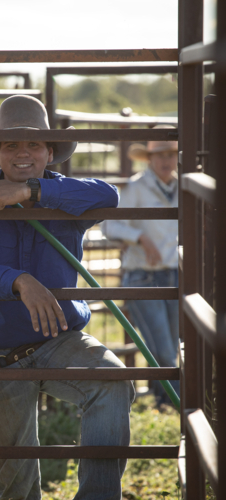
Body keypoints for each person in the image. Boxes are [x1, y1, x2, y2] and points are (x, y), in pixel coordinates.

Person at [0, 95, 135, 500]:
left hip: (58, 339)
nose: (23, 153)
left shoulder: (63, 193)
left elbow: (109, 196)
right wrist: (20, 281)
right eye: (11, 145)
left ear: (51, 152)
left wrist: (30, 193)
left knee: (113, 383)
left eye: (33, 144)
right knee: (19, 489)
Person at [102, 131, 180, 405]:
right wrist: (140, 237)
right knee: (163, 347)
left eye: (170, 154)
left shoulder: (180, 188)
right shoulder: (136, 187)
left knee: (169, 344)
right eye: (160, 155)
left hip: (172, 273)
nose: (166, 160)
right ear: (150, 159)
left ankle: (164, 401)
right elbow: (109, 224)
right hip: (143, 275)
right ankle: (175, 404)